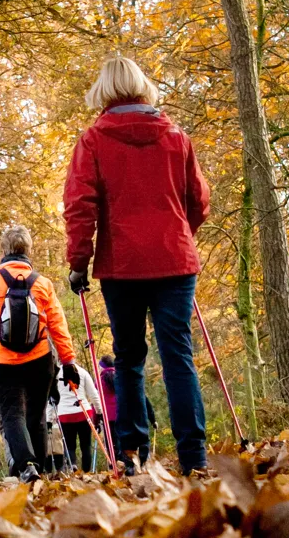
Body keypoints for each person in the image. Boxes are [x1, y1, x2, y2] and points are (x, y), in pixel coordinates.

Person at [63, 57, 211, 476]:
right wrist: (179, 234)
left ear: (103, 91)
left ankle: (132, 453)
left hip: (122, 263)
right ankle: (193, 455)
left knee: (128, 358)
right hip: (174, 260)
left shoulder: (93, 140)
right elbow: (198, 201)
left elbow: (79, 206)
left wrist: (79, 262)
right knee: (178, 355)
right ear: (142, 86)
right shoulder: (176, 137)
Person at [0, 226, 79, 483]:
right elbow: (58, 326)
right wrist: (68, 360)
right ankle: (37, 470)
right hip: (40, 359)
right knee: (36, 416)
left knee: (12, 415)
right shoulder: (43, 284)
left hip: (5, 361)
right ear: (29, 250)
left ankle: (27, 465)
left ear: (4, 251)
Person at [47, 362, 103, 471]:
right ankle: (87, 473)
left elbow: (51, 399)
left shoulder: (56, 375)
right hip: (84, 412)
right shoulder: (82, 372)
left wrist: (48, 420)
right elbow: (94, 394)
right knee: (86, 445)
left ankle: (73, 466)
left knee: (69, 446)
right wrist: (99, 412)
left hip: (65, 414)